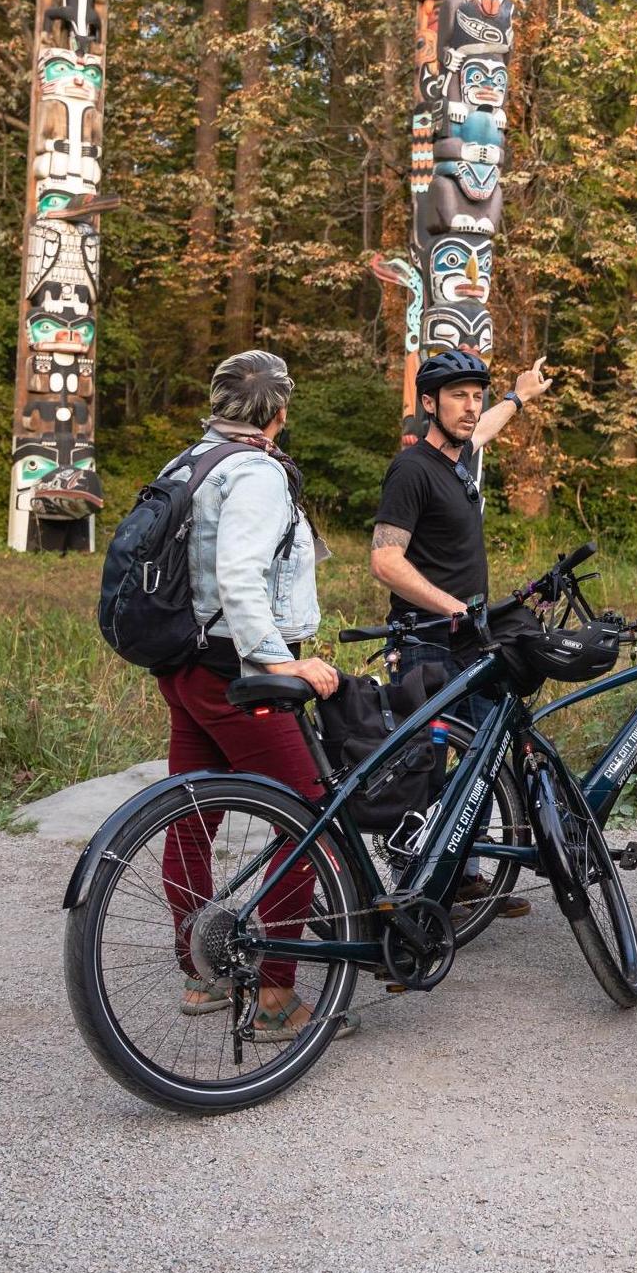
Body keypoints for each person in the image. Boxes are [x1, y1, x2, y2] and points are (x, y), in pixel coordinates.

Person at [155, 351, 352, 1044]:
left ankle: (201, 971)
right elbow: (239, 576)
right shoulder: (257, 473)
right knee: (307, 816)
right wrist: (279, 662)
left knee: (189, 816)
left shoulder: (189, 462)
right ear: (279, 413)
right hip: (238, 673)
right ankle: (274, 992)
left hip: (185, 664)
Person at [370, 348, 553, 920]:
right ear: (429, 404)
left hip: (469, 641)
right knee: (427, 768)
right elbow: (385, 559)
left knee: (478, 763)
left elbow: (487, 428)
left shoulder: (459, 457)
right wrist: (453, 606)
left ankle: (464, 878)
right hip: (427, 641)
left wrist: (519, 395)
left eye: (476, 396)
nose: (471, 408)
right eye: (458, 397)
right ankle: (412, 894)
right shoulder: (412, 469)